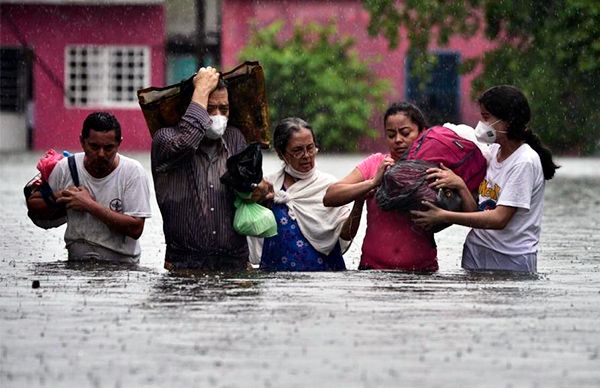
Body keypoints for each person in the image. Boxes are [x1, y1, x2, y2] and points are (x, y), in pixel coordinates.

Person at [411, 85, 559, 273]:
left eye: (486, 117)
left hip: (511, 260)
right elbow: (479, 212)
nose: (481, 123)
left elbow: (498, 219)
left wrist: (443, 216)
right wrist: (460, 185)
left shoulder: (524, 162)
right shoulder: (493, 152)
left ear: (508, 121)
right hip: (476, 252)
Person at [151, 66, 271, 272]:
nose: (217, 116)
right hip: (185, 265)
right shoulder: (165, 139)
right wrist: (200, 90)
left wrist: (259, 189)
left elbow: (248, 183)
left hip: (234, 263)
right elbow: (186, 143)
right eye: (208, 108)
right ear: (191, 108)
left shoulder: (235, 138)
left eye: (223, 109)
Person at [323, 102, 439, 271]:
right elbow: (330, 196)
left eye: (405, 133)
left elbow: (466, 209)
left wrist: (455, 183)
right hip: (373, 271)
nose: (398, 140)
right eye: (391, 135)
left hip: (422, 272)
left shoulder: (433, 167)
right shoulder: (375, 164)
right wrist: (372, 182)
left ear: (422, 132)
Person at [26, 112, 152, 263]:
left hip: (122, 267)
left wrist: (88, 205)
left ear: (119, 144)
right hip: (75, 265)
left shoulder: (133, 172)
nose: (101, 154)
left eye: (108, 148)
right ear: (82, 142)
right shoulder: (66, 168)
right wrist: (63, 196)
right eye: (94, 146)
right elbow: (35, 209)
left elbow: (136, 228)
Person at [250, 117, 362, 271]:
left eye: (310, 148)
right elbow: (248, 227)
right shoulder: (268, 188)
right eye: (297, 150)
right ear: (281, 153)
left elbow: (346, 236)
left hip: (324, 283)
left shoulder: (330, 188)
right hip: (277, 285)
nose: (307, 155)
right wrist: (260, 204)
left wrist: (359, 201)